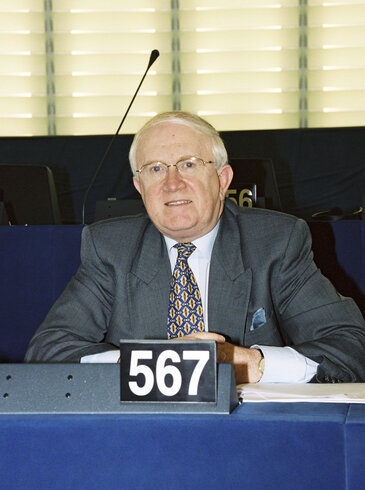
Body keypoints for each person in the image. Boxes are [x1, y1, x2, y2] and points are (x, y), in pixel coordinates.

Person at [24, 111, 365, 384]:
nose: (172, 183)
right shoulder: (111, 248)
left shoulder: (276, 242)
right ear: (140, 187)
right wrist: (148, 366)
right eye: (156, 169)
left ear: (222, 180)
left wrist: (254, 364)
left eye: (188, 164)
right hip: (137, 435)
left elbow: (350, 346)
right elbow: (48, 350)